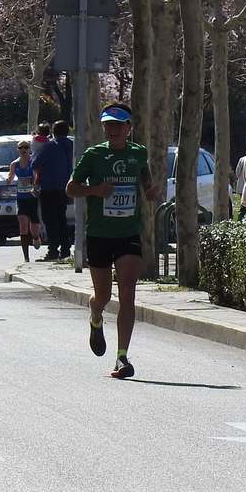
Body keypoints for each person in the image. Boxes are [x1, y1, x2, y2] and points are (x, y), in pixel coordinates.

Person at [67, 103, 162, 379]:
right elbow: (70, 188)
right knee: (104, 296)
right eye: (109, 125)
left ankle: (122, 358)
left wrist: (150, 191)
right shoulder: (93, 155)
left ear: (129, 128)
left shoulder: (138, 153)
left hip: (128, 233)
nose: (114, 130)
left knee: (128, 293)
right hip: (98, 234)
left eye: (119, 125)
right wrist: (95, 190)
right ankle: (95, 317)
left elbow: (146, 181)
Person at [33, 120, 74, 260]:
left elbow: (36, 163)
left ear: (53, 132)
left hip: (50, 187)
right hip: (67, 187)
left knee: (50, 220)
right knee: (62, 218)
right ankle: (66, 249)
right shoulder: (72, 145)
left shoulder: (50, 146)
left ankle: (53, 250)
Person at [8, 139, 42, 261]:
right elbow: (10, 178)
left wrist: (34, 184)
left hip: (32, 197)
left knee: (34, 227)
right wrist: (9, 179)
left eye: (26, 147)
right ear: (18, 150)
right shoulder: (14, 164)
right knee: (23, 225)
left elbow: (37, 176)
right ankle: (26, 257)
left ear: (29, 149)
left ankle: (36, 237)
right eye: (21, 148)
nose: (23, 150)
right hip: (21, 198)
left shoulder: (33, 162)